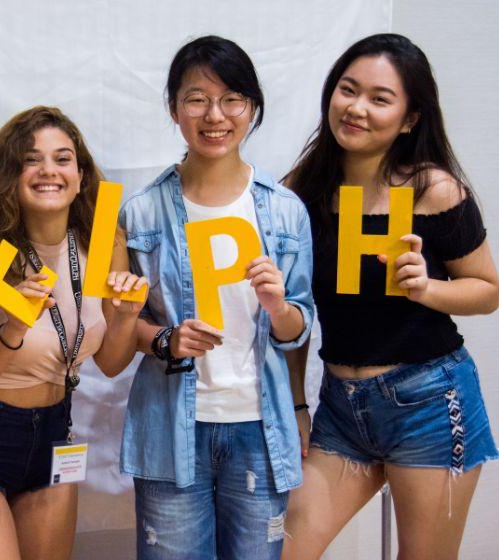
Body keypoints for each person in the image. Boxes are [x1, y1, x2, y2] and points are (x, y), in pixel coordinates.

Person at [282, 33, 499, 560]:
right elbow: (292, 315)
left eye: (380, 99)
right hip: (340, 408)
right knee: (276, 550)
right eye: (347, 90)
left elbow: (487, 291)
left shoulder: (433, 189)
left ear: (410, 118)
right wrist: (296, 404)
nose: (356, 108)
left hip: (428, 398)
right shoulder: (301, 191)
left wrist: (426, 288)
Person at [117, 35, 314, 559]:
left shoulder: (285, 211)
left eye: (232, 99)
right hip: (171, 429)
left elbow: (298, 332)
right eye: (197, 98)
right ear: (174, 108)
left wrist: (279, 308)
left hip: (258, 427)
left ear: (251, 109)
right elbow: (119, 326)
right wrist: (166, 338)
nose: (215, 114)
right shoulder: (141, 213)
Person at [0, 106, 147, 560]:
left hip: (55, 433)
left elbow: (110, 363)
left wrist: (127, 317)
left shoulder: (105, 240)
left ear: (81, 174)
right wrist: (12, 329)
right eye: (32, 159)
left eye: (62, 158)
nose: (48, 170)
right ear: (10, 174)